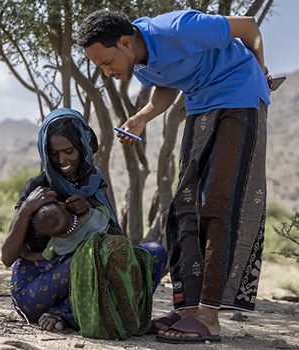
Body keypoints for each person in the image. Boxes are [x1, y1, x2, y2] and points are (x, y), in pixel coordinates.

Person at [76, 9, 273, 344]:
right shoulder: (140, 62)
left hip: (240, 99)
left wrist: (259, 67)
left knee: (216, 203)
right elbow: (167, 86)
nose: (108, 73)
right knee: (185, 206)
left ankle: (209, 318)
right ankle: (187, 309)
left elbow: (248, 27)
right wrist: (141, 118)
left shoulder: (178, 29)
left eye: (107, 63)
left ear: (125, 42)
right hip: (201, 106)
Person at [0, 108, 168, 333]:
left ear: (83, 147)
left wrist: (91, 210)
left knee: (154, 253)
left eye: (69, 151)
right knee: (86, 260)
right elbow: (7, 256)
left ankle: (79, 314)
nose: (62, 160)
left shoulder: (96, 186)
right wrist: (27, 209)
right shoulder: (37, 187)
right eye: (53, 153)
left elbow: (120, 246)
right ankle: (67, 314)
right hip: (38, 289)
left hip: (88, 276)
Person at [31, 201, 156, 340]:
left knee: (150, 256)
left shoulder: (59, 244)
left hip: (113, 254)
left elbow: (44, 256)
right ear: (63, 205)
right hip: (108, 258)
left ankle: (127, 316)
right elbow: (104, 208)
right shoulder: (94, 215)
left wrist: (24, 254)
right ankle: (68, 315)